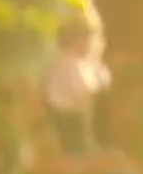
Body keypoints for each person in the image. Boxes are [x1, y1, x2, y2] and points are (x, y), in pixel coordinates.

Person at [42, 10, 112, 158]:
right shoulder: (69, 64)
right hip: (69, 132)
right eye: (88, 37)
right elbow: (88, 93)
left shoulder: (83, 65)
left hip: (80, 130)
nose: (93, 43)